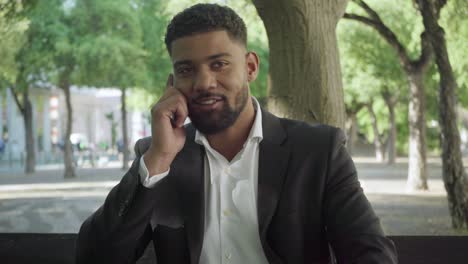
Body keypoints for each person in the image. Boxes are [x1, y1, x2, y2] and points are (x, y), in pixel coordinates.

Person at [76, 3, 397, 264]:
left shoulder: (318, 150)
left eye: (219, 64)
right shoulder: (159, 156)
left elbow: (370, 253)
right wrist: (157, 161)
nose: (203, 82)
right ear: (172, 80)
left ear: (251, 68)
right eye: (187, 70)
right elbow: (94, 257)